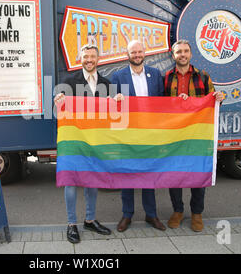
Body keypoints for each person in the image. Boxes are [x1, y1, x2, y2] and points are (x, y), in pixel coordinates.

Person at [164, 39, 224, 232]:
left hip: (197, 135)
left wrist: (220, 98)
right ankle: (178, 211)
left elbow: (213, 101)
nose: (182, 54)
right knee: (174, 175)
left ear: (190, 54)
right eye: (178, 51)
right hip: (173, 135)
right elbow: (160, 105)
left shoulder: (202, 76)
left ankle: (197, 213)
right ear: (173, 55)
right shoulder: (167, 77)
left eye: (185, 51)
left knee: (197, 174)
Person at [54, 44, 112, 244]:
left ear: (98, 59)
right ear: (81, 59)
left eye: (93, 56)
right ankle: (71, 224)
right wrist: (59, 101)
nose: (89, 60)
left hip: (96, 141)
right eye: (86, 56)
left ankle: (90, 219)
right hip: (73, 140)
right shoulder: (69, 82)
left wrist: (119, 100)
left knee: (92, 180)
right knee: (70, 181)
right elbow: (58, 111)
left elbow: (114, 114)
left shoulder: (106, 83)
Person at [111, 40, 166, 232]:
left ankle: (151, 215)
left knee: (148, 176)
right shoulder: (117, 76)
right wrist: (114, 99)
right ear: (127, 54)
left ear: (145, 53)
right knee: (127, 175)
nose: (137, 55)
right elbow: (109, 105)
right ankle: (127, 215)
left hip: (150, 135)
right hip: (127, 135)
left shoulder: (156, 75)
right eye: (133, 52)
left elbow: (164, 104)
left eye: (139, 51)